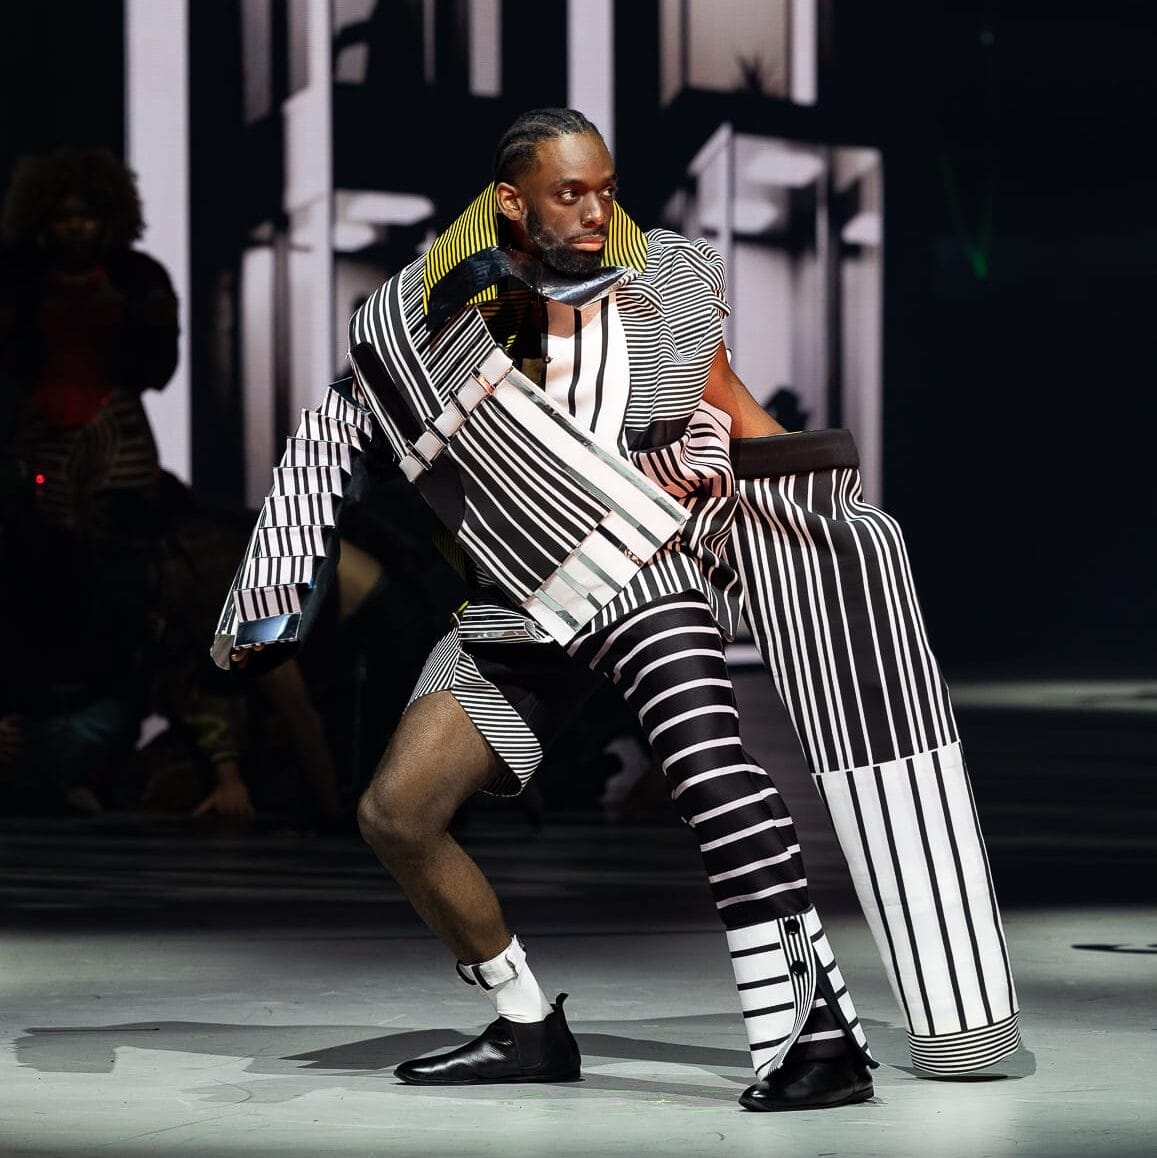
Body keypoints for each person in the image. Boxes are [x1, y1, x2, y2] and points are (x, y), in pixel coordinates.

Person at [217, 108, 1019, 1109]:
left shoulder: (663, 288)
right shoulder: (440, 315)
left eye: (604, 188)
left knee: (711, 773)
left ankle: (817, 1040)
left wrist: (820, 525)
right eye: (570, 193)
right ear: (510, 202)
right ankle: (523, 1027)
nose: (598, 209)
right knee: (396, 812)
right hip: (524, 603)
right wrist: (267, 593)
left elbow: (732, 410)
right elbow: (338, 423)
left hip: (638, 567)